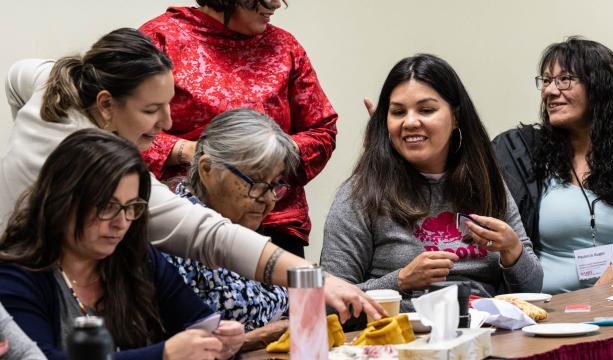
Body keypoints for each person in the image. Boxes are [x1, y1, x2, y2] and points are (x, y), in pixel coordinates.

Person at [0, 28, 384, 325]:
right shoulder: (95, 171)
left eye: (168, 104)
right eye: (152, 109)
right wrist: (313, 278)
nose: (167, 123)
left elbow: (17, 76)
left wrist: (22, 133)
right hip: (27, 277)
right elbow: (209, 234)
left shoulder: (61, 85)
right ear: (106, 105)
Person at [321, 54, 543, 315]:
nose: (411, 122)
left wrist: (512, 250)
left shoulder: (485, 180)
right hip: (404, 339)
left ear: (456, 118)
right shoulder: (360, 194)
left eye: (426, 110)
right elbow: (328, 305)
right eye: (398, 112)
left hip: (488, 333)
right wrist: (400, 281)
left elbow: (532, 289)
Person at [0, 129, 246, 359]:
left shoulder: (135, 255)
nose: (122, 222)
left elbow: (197, 320)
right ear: (63, 201)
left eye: (132, 207)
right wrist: (163, 354)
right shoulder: (17, 274)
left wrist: (221, 337)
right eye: (108, 206)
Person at [139, 0, 338, 257]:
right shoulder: (161, 39)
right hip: (186, 224)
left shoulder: (285, 47)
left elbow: (322, 130)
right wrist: (187, 151)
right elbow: (121, 130)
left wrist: (266, 159)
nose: (276, 3)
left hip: (274, 226)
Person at [492, 37, 613, 294]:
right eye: (547, 81)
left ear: (599, 87)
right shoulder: (523, 153)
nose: (550, 91)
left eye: (564, 79)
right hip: (549, 311)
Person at [165, 108, 296, 349]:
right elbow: (169, 345)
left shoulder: (242, 224)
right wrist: (255, 339)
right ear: (207, 169)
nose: (268, 199)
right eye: (255, 182)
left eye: (275, 185)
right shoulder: (175, 236)